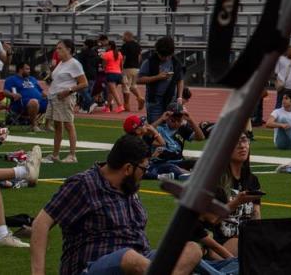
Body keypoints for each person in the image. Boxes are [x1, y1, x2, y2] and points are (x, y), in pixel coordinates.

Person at [31, 134, 202, 275]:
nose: (144, 174)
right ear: (128, 168)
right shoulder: (83, 184)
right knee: (128, 257)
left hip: (142, 261)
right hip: (94, 266)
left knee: (191, 249)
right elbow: (41, 222)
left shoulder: (128, 187)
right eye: (143, 169)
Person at [210, 132, 262, 256]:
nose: (242, 146)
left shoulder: (252, 180)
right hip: (220, 242)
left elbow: (256, 214)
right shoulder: (216, 181)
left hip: (246, 238)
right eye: (236, 142)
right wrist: (236, 202)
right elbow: (212, 220)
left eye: (244, 141)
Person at [42, 39, 87, 164]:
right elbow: (57, 80)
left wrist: (69, 91)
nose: (57, 50)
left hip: (65, 97)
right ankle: (55, 155)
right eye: (57, 48)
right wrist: (49, 79)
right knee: (57, 126)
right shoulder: (61, 64)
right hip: (55, 97)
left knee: (68, 124)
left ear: (69, 50)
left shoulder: (74, 64)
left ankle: (72, 155)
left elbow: (84, 83)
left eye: (60, 48)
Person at [148, 102, 205, 179]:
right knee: (171, 168)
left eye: (179, 121)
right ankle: (189, 175)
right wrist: (161, 119)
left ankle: (189, 174)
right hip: (163, 162)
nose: (176, 123)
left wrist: (190, 120)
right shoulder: (159, 128)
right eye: (173, 121)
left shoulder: (183, 128)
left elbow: (201, 137)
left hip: (179, 161)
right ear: (167, 118)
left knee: (199, 163)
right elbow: (147, 132)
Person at [137, 36, 184, 124]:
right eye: (162, 56)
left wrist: (180, 97)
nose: (165, 58)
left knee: (171, 128)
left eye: (168, 56)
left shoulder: (176, 62)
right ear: (157, 51)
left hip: (172, 101)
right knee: (155, 128)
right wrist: (157, 77)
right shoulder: (149, 62)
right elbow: (138, 79)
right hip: (155, 101)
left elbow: (180, 79)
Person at [3, 61, 47, 131]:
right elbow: (5, 92)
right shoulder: (11, 79)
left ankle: (47, 125)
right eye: (27, 69)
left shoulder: (32, 79)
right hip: (21, 104)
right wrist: (13, 94)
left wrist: (50, 96)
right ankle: (33, 125)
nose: (29, 71)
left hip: (40, 103)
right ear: (20, 70)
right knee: (34, 102)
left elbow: (41, 92)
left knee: (53, 100)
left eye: (29, 69)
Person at [120, 31, 145, 113]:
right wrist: (137, 65)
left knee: (125, 87)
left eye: (123, 36)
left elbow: (123, 57)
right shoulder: (137, 45)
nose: (122, 37)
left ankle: (126, 105)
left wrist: (121, 67)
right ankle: (140, 97)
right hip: (136, 68)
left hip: (127, 67)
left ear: (127, 36)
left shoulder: (125, 45)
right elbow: (139, 56)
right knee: (133, 86)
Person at [101, 39, 126, 113]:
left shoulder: (106, 54)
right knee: (110, 92)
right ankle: (107, 107)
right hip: (118, 74)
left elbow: (104, 66)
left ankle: (120, 105)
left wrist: (105, 71)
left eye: (106, 45)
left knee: (114, 92)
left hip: (110, 74)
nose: (105, 47)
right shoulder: (119, 53)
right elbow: (121, 66)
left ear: (110, 46)